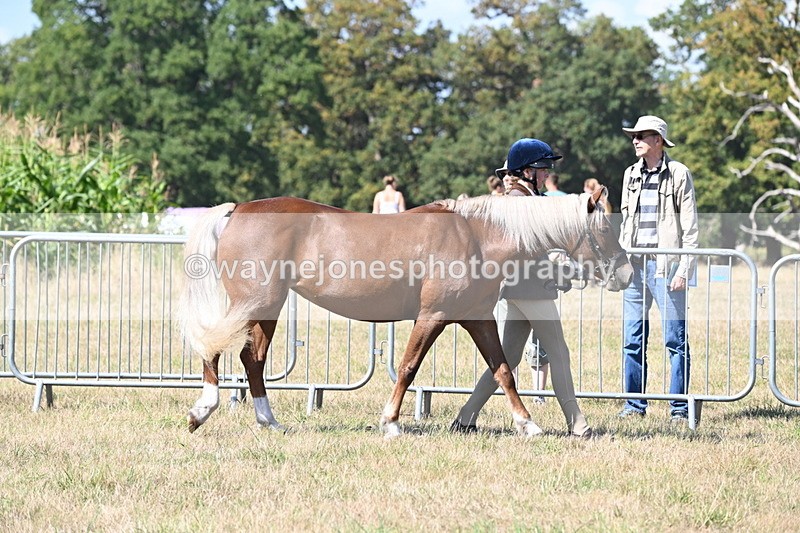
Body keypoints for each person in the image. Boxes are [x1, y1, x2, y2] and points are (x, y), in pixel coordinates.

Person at [451, 138, 592, 438]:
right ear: (527, 171)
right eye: (543, 168)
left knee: (507, 360)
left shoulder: (524, 196)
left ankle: (465, 418)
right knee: (560, 353)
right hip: (530, 289)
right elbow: (530, 249)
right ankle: (578, 425)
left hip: (518, 290)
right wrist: (559, 267)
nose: (547, 174)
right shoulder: (520, 201)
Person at [617, 115, 698, 422]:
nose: (635, 140)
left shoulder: (679, 173)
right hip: (635, 268)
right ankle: (634, 405)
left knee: (675, 339)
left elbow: (690, 229)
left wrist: (684, 269)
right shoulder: (630, 174)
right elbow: (627, 223)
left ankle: (679, 408)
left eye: (642, 135)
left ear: (658, 140)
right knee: (632, 338)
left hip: (666, 267)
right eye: (634, 136)